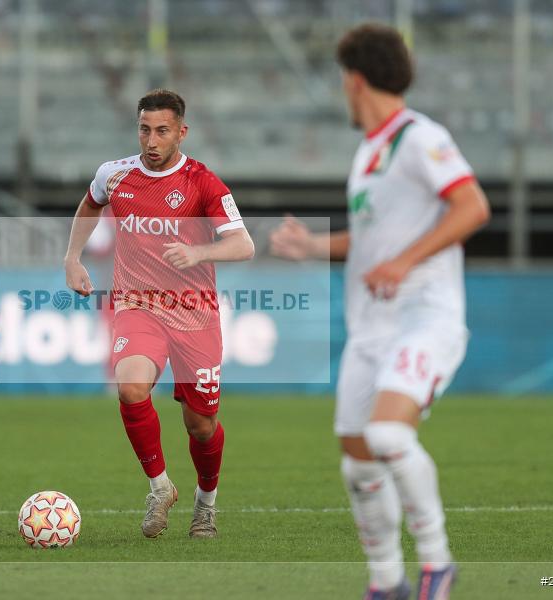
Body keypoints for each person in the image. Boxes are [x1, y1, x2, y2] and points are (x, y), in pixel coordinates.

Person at [271, 24, 490, 600]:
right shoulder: (369, 153)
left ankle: (437, 564)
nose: (343, 89)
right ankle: (387, 582)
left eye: (343, 79)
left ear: (355, 79)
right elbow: (371, 243)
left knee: (390, 434)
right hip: (369, 330)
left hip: (425, 318)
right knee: (358, 461)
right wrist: (315, 247)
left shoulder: (420, 137)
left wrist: (404, 262)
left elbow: (472, 207)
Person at [64, 89, 255, 539]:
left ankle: (205, 503)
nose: (151, 140)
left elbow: (243, 245)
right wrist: (73, 257)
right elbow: (91, 203)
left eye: (162, 131)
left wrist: (198, 251)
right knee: (130, 388)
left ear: (181, 132)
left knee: (201, 424)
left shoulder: (202, 183)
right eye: (144, 129)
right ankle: (159, 487)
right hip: (138, 305)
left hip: (194, 315)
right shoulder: (115, 175)